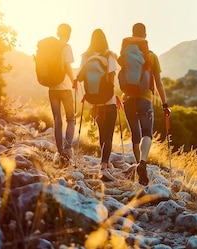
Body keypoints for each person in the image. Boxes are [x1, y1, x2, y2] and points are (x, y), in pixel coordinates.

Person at [119, 23, 170, 186]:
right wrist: (165, 103)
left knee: (135, 134)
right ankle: (142, 163)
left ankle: (137, 168)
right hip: (144, 100)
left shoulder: (126, 53)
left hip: (128, 99)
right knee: (147, 133)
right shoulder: (151, 56)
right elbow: (159, 83)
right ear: (145, 36)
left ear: (132, 34)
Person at [77, 29, 118, 181]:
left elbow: (80, 77)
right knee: (109, 135)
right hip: (109, 100)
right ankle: (104, 165)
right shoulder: (109, 55)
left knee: (102, 133)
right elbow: (112, 78)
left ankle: (105, 164)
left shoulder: (85, 56)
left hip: (94, 101)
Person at [49, 23, 76, 166]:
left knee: (57, 119)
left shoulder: (51, 47)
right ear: (69, 33)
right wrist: (74, 80)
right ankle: (67, 149)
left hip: (52, 88)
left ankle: (59, 151)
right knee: (71, 118)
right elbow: (67, 66)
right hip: (65, 87)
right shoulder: (66, 47)